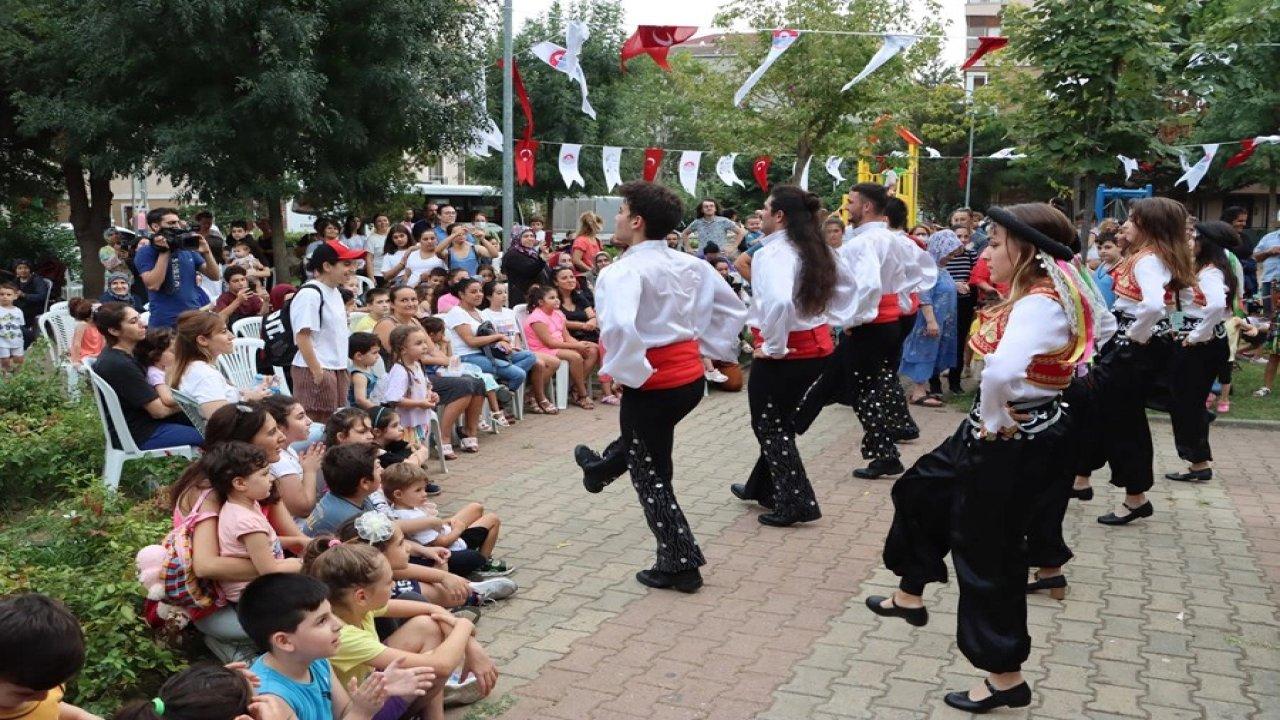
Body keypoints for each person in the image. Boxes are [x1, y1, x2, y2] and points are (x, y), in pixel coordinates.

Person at [867, 203, 1103, 713]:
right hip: (994, 430)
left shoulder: (1040, 303)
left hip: (1006, 441)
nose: (985, 252)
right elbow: (1097, 332)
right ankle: (910, 592)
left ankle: (1005, 678)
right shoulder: (1048, 293)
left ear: (1028, 252)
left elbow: (998, 373)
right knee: (920, 489)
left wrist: (998, 413)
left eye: (994, 243)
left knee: (987, 555)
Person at [573, 181, 747, 593]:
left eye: (620, 212)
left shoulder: (622, 271)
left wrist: (627, 370)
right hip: (687, 380)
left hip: (656, 379)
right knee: (646, 447)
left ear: (636, 221)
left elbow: (617, 327)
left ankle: (679, 563)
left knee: (651, 471)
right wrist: (709, 349)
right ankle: (599, 469)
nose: (613, 218)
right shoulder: (691, 264)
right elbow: (732, 309)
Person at [730, 185, 876, 527]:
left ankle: (797, 501)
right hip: (815, 346)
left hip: (788, 350)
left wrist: (775, 346)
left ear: (779, 215)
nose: (761, 214)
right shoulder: (816, 248)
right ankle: (762, 486)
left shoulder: (775, 254)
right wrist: (831, 317)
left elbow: (779, 302)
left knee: (770, 425)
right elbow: (850, 289)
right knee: (778, 421)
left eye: (766, 209)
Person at [1077, 198, 1197, 525]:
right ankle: (1083, 477)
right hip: (1137, 347)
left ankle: (1134, 497)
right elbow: (1178, 307)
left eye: (1132, 219)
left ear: (1149, 226)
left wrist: (1135, 336)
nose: (1125, 225)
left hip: (1132, 349)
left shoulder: (1147, 260)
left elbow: (1156, 305)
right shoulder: (1160, 257)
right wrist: (1168, 335)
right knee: (1104, 409)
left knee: (1122, 420)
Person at [801, 182, 928, 479]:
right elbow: (919, 272)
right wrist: (901, 301)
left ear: (867, 207)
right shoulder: (895, 239)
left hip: (871, 325)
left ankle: (885, 454)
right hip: (888, 322)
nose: (847, 207)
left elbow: (868, 285)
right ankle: (796, 425)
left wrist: (853, 319)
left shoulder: (863, 243)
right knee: (855, 382)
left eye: (852, 201)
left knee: (861, 390)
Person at [302, 539, 496, 717]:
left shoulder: (355, 608)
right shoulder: (342, 636)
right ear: (361, 596)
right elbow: (443, 664)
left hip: (370, 686)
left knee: (426, 625)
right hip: (362, 711)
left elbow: (431, 609)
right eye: (388, 582)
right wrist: (463, 625)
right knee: (433, 664)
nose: (394, 584)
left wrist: (471, 646)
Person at [238, 573, 435, 720]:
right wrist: (362, 711)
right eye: (322, 620)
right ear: (284, 641)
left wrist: (376, 694)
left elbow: (344, 713)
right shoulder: (272, 700)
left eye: (332, 614)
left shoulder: (315, 659)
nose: (339, 624)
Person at [1163, 221, 1237, 483]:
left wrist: (1195, 336)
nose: (1191, 242)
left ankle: (1198, 462)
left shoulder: (1211, 273)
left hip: (1201, 345)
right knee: (1184, 400)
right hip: (1195, 340)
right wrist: (1177, 329)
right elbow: (1179, 303)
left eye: (1195, 238)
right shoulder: (1203, 269)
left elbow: (1216, 307)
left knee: (1188, 402)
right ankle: (1196, 458)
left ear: (1207, 243)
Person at [88, 303, 202, 449]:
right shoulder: (118, 364)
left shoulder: (127, 353)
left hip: (148, 423)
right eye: (133, 322)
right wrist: (197, 402)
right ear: (114, 331)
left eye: (139, 318)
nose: (143, 324)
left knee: (217, 423)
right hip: (142, 433)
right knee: (213, 435)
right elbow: (159, 412)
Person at [208, 441, 302, 602]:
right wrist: (301, 563)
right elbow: (269, 570)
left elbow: (265, 544)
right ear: (240, 483)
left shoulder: (244, 505)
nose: (272, 478)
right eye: (265, 474)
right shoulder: (247, 522)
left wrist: (299, 541)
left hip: (263, 586)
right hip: (255, 596)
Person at [292, 241, 367, 422]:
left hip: (336, 368)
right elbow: (302, 336)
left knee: (336, 424)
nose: (352, 269)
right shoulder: (310, 294)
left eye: (353, 264)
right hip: (317, 369)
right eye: (346, 264)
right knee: (316, 426)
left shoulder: (334, 292)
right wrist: (318, 372)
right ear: (326, 266)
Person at [0, 593, 100, 720]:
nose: (43, 697)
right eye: (24, 694)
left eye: (53, 686)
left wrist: (80, 716)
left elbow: (49, 706)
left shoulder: (41, 684)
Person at [443, 279, 540, 397]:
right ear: (461, 294)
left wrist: (502, 341)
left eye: (480, 291)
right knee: (518, 374)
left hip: (486, 352)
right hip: (467, 356)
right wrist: (498, 336)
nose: (479, 294)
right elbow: (471, 341)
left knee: (530, 356)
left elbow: (490, 335)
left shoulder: (479, 312)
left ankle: (501, 386)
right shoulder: (457, 312)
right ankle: (502, 396)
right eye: (473, 292)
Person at [133, 207, 222, 328]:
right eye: (171, 223)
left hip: (192, 317)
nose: (177, 226)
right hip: (165, 322)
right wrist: (165, 251)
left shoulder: (186, 248)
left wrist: (207, 252)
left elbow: (215, 276)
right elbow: (153, 284)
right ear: (155, 226)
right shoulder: (146, 251)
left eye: (178, 222)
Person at [172, 310, 271, 419]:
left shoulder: (195, 368)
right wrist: (248, 399)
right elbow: (220, 420)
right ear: (203, 340)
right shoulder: (204, 375)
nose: (232, 336)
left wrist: (249, 392)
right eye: (224, 331)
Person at [901, 231, 963, 404]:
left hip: (940, 320)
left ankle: (920, 388)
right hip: (929, 321)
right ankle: (918, 392)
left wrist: (956, 286)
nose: (950, 257)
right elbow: (923, 294)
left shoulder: (939, 269)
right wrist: (930, 321)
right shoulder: (927, 268)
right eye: (949, 254)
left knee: (932, 352)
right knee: (924, 351)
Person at [522, 284, 598, 410]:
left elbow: (566, 336)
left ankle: (574, 387)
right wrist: (575, 346)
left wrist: (580, 345)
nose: (556, 300)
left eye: (556, 297)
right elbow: (549, 343)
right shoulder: (537, 318)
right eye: (551, 298)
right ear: (541, 302)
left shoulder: (558, 314)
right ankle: (582, 394)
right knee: (575, 357)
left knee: (593, 350)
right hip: (542, 349)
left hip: (558, 346)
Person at [303, 443, 383, 537]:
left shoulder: (350, 494)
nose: (382, 469)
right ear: (365, 483)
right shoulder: (352, 520)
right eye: (378, 467)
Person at [500, 229, 550, 307]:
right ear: (518, 238)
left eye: (532, 236)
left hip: (539, 295)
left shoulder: (533, 253)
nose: (530, 238)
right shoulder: (513, 254)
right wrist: (542, 259)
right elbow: (528, 271)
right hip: (522, 296)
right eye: (526, 236)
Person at [134, 327, 179, 412]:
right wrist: (191, 396)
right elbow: (167, 399)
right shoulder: (155, 373)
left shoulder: (166, 368)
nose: (179, 354)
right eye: (173, 351)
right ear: (155, 355)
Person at [569, 212, 604, 280]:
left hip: (597, 275)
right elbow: (576, 260)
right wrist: (591, 270)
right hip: (586, 277)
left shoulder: (597, 240)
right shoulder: (581, 240)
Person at [0, 284, 26, 373]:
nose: (5, 297)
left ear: (15, 296)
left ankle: (18, 377)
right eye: (2, 294)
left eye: (8, 295)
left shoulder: (18, 311)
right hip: (2, 340)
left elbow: (21, 325)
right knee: (5, 360)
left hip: (16, 339)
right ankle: (6, 376)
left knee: (19, 360)